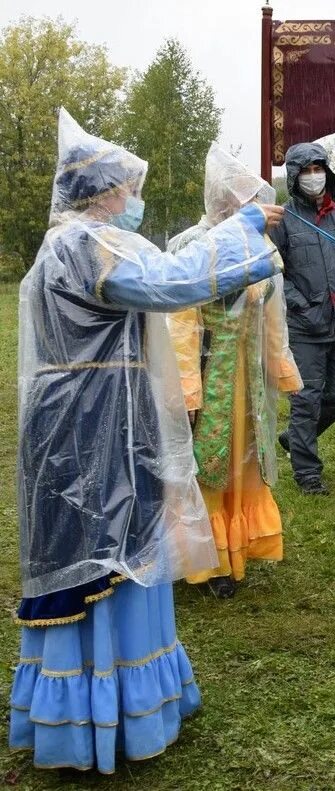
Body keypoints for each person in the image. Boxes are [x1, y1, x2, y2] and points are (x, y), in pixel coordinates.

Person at [10, 110, 285, 773]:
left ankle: (99, 708)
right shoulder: (88, 245)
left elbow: (163, 271)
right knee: (111, 551)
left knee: (113, 544)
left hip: (85, 414)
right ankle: (104, 717)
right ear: (101, 193)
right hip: (92, 422)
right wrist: (241, 230)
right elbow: (172, 282)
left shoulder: (70, 244)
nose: (134, 200)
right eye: (127, 188)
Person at [167, 146, 304, 599]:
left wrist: (281, 368)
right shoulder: (193, 245)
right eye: (237, 200)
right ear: (219, 201)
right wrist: (187, 389)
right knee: (208, 465)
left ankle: (238, 547)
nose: (245, 208)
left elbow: (271, 313)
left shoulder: (257, 246)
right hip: (210, 374)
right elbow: (180, 322)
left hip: (248, 378)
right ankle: (207, 560)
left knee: (245, 462)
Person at [270, 142, 335, 495]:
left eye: (319, 168)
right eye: (307, 170)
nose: (314, 176)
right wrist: (301, 306)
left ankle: (295, 437)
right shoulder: (283, 219)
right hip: (305, 326)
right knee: (306, 399)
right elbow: (275, 271)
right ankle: (308, 474)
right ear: (295, 177)